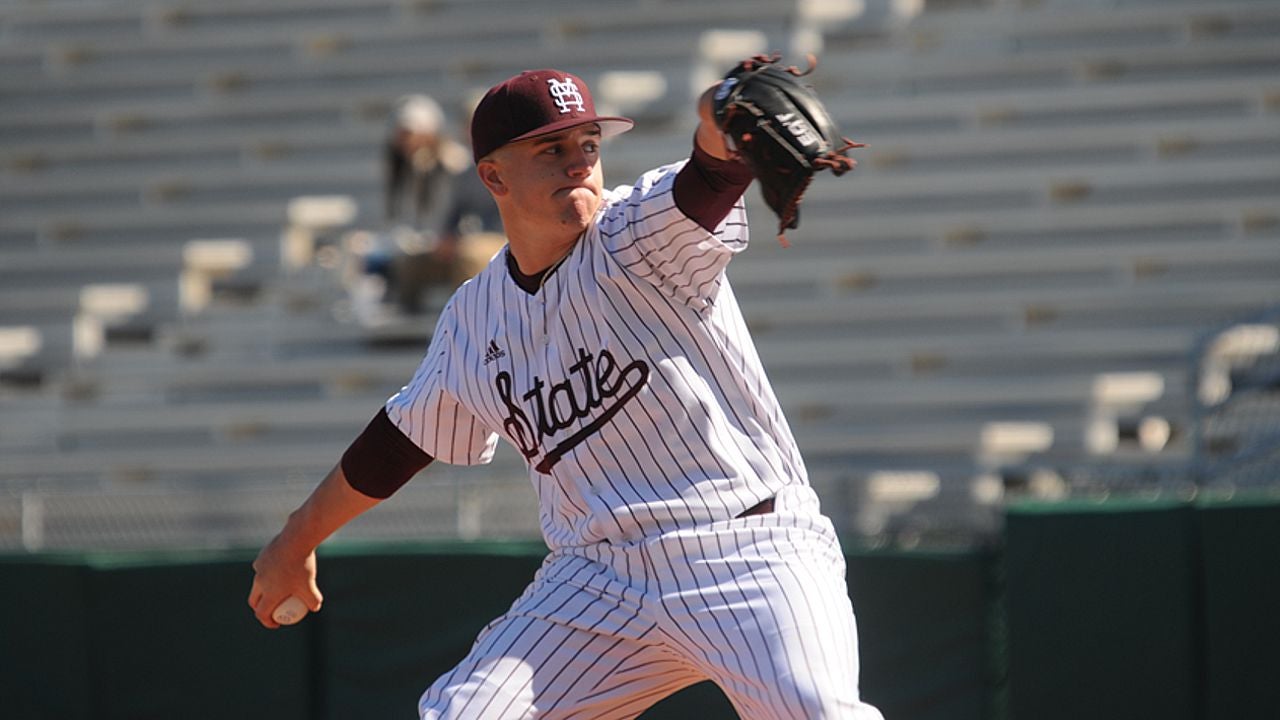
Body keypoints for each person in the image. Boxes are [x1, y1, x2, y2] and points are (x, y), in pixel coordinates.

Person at [249, 68, 884, 720]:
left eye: (588, 144)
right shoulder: (474, 318)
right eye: (551, 149)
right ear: (493, 178)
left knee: (816, 713)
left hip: (748, 549)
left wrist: (719, 108)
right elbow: (398, 443)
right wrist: (294, 541)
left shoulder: (636, 234)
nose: (579, 163)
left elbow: (712, 174)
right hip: (599, 579)